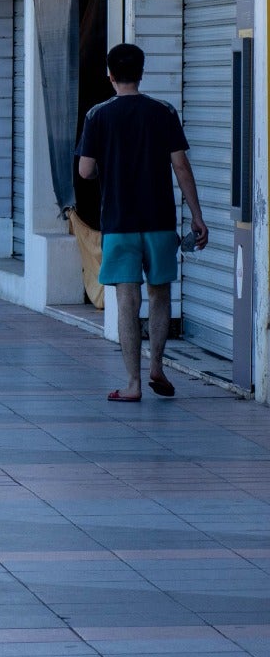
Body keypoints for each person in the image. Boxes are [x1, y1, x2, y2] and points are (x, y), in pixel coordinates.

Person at [75, 43, 207, 403]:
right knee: (160, 294)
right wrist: (196, 215)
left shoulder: (97, 116)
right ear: (142, 72)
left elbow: (85, 170)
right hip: (160, 221)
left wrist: (107, 164)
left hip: (119, 224)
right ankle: (158, 367)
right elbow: (180, 165)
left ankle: (132, 384)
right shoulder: (163, 112)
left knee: (127, 301)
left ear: (110, 75)